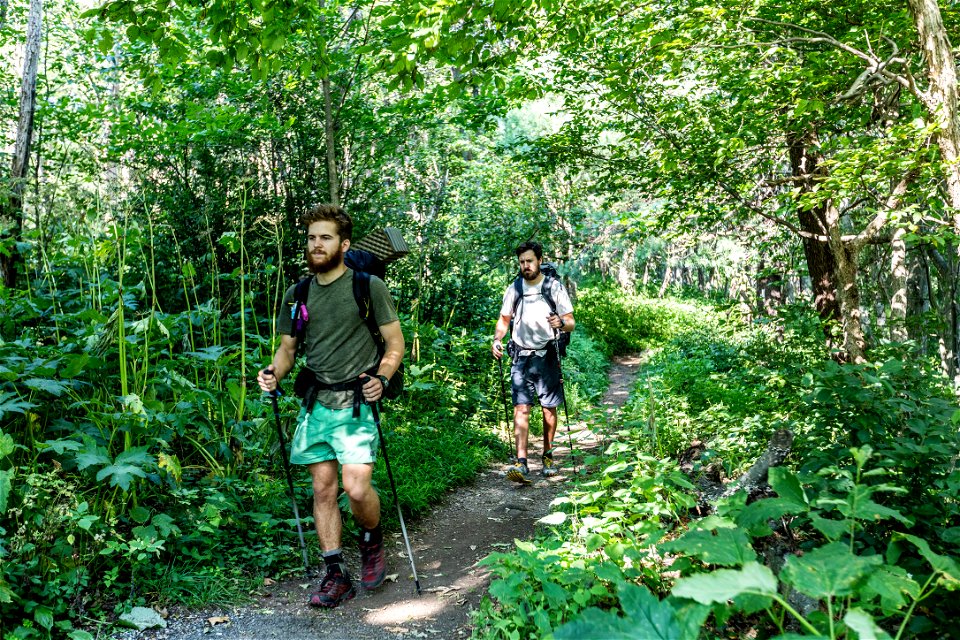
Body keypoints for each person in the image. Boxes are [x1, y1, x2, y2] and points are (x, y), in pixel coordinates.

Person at [257, 204, 404, 608]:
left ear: (344, 244)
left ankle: (372, 541)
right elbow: (288, 349)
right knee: (323, 490)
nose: (316, 244)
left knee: (356, 489)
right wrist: (274, 372)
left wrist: (383, 378)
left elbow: (395, 344)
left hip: (356, 402)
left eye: (325, 237)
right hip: (316, 402)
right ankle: (335, 574)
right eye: (311, 238)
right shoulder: (297, 294)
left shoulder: (367, 286)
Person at [492, 241, 575, 483]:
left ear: (539, 259)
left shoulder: (554, 287)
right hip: (520, 357)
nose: (525, 266)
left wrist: (561, 323)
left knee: (549, 409)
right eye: (521, 262)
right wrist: (497, 339)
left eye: (529, 261)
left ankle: (548, 455)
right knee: (521, 407)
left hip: (547, 354)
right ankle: (521, 462)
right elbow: (504, 320)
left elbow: (571, 321)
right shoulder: (514, 288)